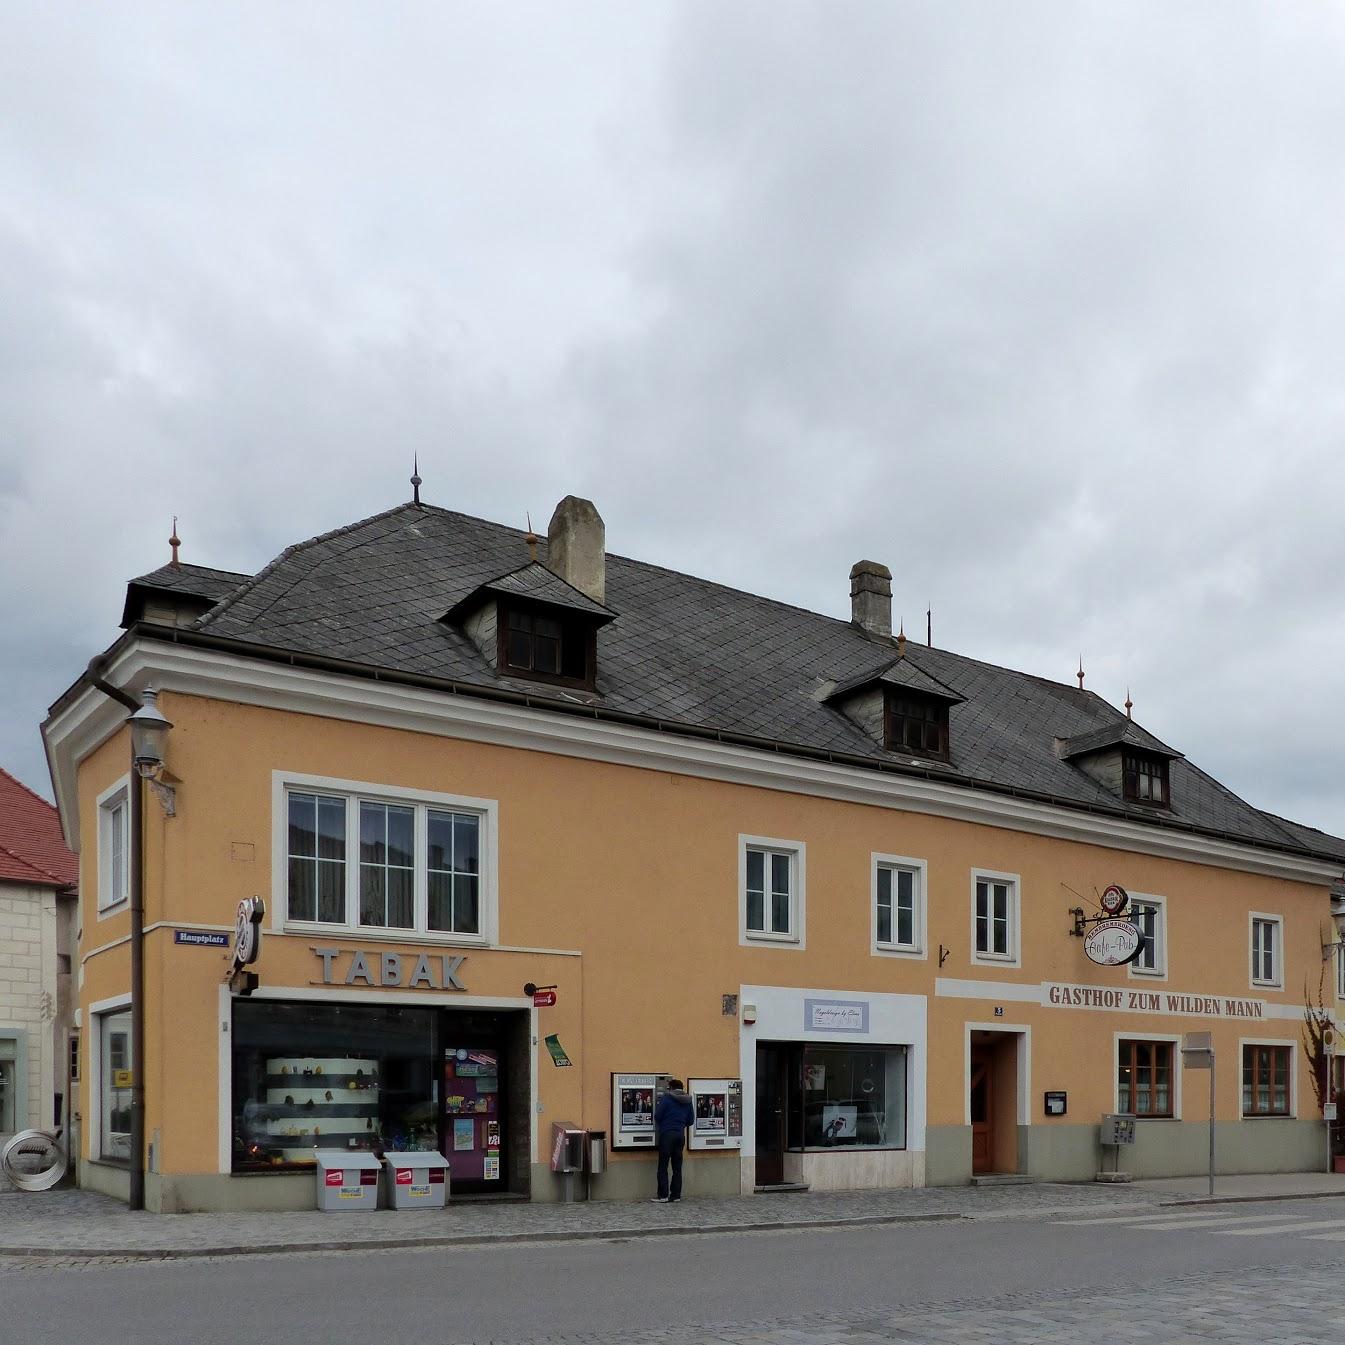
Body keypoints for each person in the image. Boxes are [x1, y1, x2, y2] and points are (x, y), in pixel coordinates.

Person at [652, 1079, 694, 1202]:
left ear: (670, 1087)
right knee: (677, 1167)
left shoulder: (667, 1098)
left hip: (667, 1134)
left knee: (663, 1166)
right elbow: (691, 1120)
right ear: (682, 1088)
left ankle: (663, 1195)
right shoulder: (688, 1100)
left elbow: (657, 1116)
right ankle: (676, 1195)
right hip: (680, 1135)